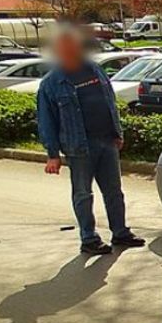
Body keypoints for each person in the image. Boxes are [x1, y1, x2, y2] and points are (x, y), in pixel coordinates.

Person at [38, 26, 146, 255]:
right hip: (79, 147)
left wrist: (117, 133)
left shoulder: (96, 71)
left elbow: (110, 103)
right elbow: (47, 121)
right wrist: (52, 154)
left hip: (107, 142)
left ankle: (120, 233)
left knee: (114, 192)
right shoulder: (51, 83)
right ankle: (89, 239)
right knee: (83, 194)